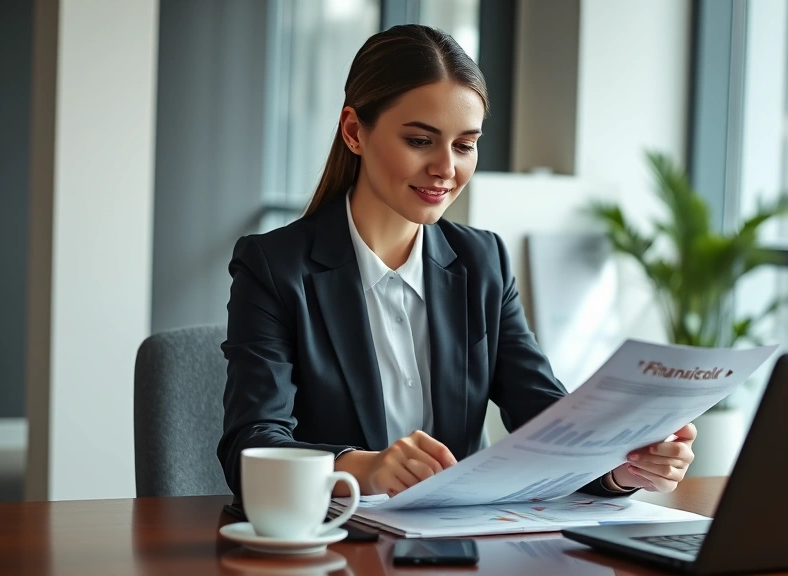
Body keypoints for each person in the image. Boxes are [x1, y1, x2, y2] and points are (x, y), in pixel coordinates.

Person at [217, 24, 696, 503]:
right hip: (337, 547)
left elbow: (546, 420)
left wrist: (624, 464)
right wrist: (366, 467)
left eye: (465, 145)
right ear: (353, 131)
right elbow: (250, 447)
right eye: (420, 141)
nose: (446, 168)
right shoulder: (274, 268)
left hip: (456, 547)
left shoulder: (481, 261)